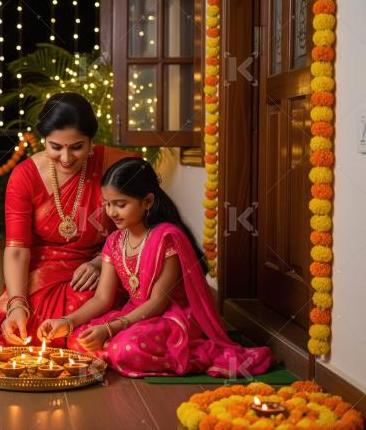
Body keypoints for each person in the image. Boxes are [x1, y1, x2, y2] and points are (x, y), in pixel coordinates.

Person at [37, 158, 273, 377]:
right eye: (107, 204)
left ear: (147, 201)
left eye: (120, 204)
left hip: (171, 318)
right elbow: (102, 299)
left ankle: (128, 353)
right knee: (76, 339)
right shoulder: (115, 241)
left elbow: (158, 302)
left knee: (123, 349)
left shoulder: (167, 238)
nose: (111, 212)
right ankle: (112, 348)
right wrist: (67, 322)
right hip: (134, 315)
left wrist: (109, 330)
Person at [0, 93, 136, 347]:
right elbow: (17, 249)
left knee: (106, 312)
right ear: (43, 141)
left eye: (77, 146)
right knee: (34, 324)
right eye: (56, 147)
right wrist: (16, 303)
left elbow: (139, 229)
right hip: (44, 270)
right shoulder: (24, 177)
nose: (67, 158)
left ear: (92, 142)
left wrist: (100, 262)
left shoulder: (113, 167)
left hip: (105, 267)